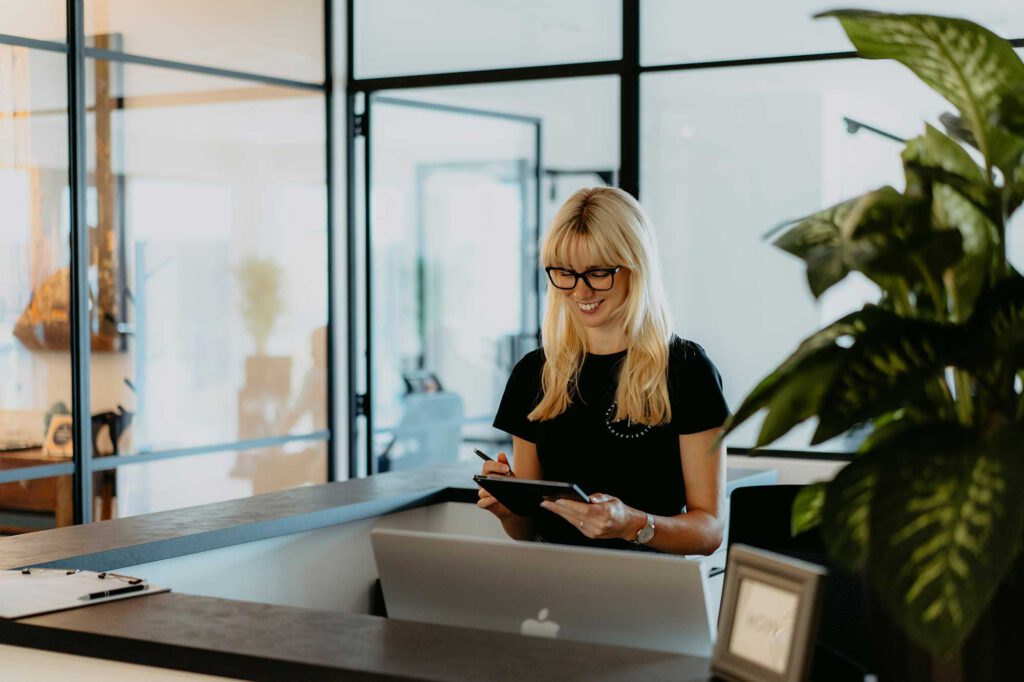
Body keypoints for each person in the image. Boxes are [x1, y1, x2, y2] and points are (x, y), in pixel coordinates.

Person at [478, 187, 729, 555]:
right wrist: (506, 510)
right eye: (564, 272)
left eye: (597, 272)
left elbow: (709, 530)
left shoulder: (687, 371)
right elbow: (527, 529)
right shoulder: (535, 373)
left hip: (649, 592)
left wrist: (633, 525)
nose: (580, 290)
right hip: (553, 593)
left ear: (635, 267)